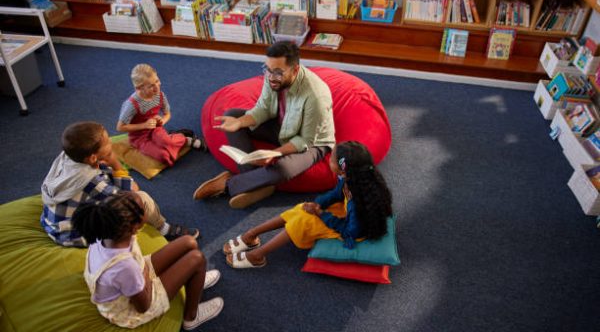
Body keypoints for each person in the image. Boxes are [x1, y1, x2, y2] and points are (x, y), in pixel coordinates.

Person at [193, 41, 335, 209]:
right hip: (282, 124)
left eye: (277, 72)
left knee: (283, 169)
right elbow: (264, 108)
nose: (270, 76)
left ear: (295, 70)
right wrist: (239, 122)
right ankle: (256, 183)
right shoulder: (273, 76)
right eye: (267, 68)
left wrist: (274, 153)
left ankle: (229, 184)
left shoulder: (316, 96)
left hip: (314, 143)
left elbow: (306, 140)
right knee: (232, 115)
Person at [221, 141, 393, 268]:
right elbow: (335, 195)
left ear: (343, 169)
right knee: (302, 208)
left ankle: (257, 255)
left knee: (304, 222)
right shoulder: (350, 179)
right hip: (347, 214)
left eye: (331, 160)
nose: (329, 160)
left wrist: (320, 214)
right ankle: (251, 234)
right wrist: (316, 205)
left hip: (352, 230)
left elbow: (350, 230)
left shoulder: (358, 200)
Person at [71, 191, 224, 330]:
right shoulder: (124, 267)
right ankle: (191, 317)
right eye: (144, 206)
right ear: (134, 227)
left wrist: (142, 273)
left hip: (136, 276)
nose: (146, 204)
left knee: (189, 242)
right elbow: (142, 307)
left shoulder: (108, 233)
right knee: (197, 259)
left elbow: (132, 270)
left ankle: (192, 281)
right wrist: (144, 277)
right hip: (136, 304)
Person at [41, 121, 199, 247]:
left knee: (109, 175)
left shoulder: (67, 157)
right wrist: (115, 162)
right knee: (141, 198)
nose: (111, 143)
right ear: (92, 158)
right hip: (75, 235)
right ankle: (164, 229)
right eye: (107, 143)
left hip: (53, 223)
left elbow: (101, 172)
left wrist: (106, 161)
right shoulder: (93, 182)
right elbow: (132, 193)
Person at [117, 63, 206, 167]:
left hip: (155, 129)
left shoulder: (160, 95)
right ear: (139, 88)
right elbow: (120, 127)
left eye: (157, 81)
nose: (157, 87)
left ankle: (187, 140)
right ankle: (175, 139)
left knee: (166, 141)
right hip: (139, 138)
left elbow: (167, 114)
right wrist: (144, 125)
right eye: (151, 86)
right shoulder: (131, 105)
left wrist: (162, 121)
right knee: (164, 156)